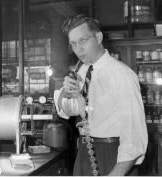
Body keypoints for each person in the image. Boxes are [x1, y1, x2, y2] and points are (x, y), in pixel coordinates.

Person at [53, 14, 148, 176]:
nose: (78, 49)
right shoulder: (81, 71)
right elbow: (69, 111)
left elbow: (134, 137)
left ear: (98, 37)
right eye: (73, 44)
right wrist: (65, 92)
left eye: (83, 41)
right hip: (84, 152)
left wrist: (116, 173)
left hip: (113, 156)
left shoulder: (123, 75)